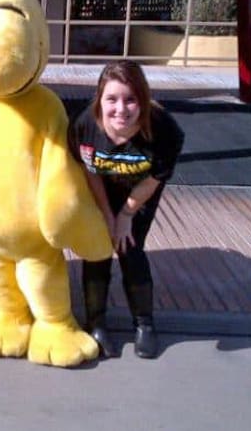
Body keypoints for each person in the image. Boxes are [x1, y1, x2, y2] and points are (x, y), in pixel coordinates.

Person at [70, 60, 184, 359]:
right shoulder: (83, 126)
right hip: (102, 190)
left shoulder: (164, 129)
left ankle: (144, 324)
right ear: (100, 99)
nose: (121, 109)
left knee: (130, 249)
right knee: (97, 248)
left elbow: (154, 179)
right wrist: (107, 215)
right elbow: (90, 171)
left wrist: (125, 216)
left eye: (130, 99)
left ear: (142, 100)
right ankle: (95, 323)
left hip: (139, 192)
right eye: (112, 99)